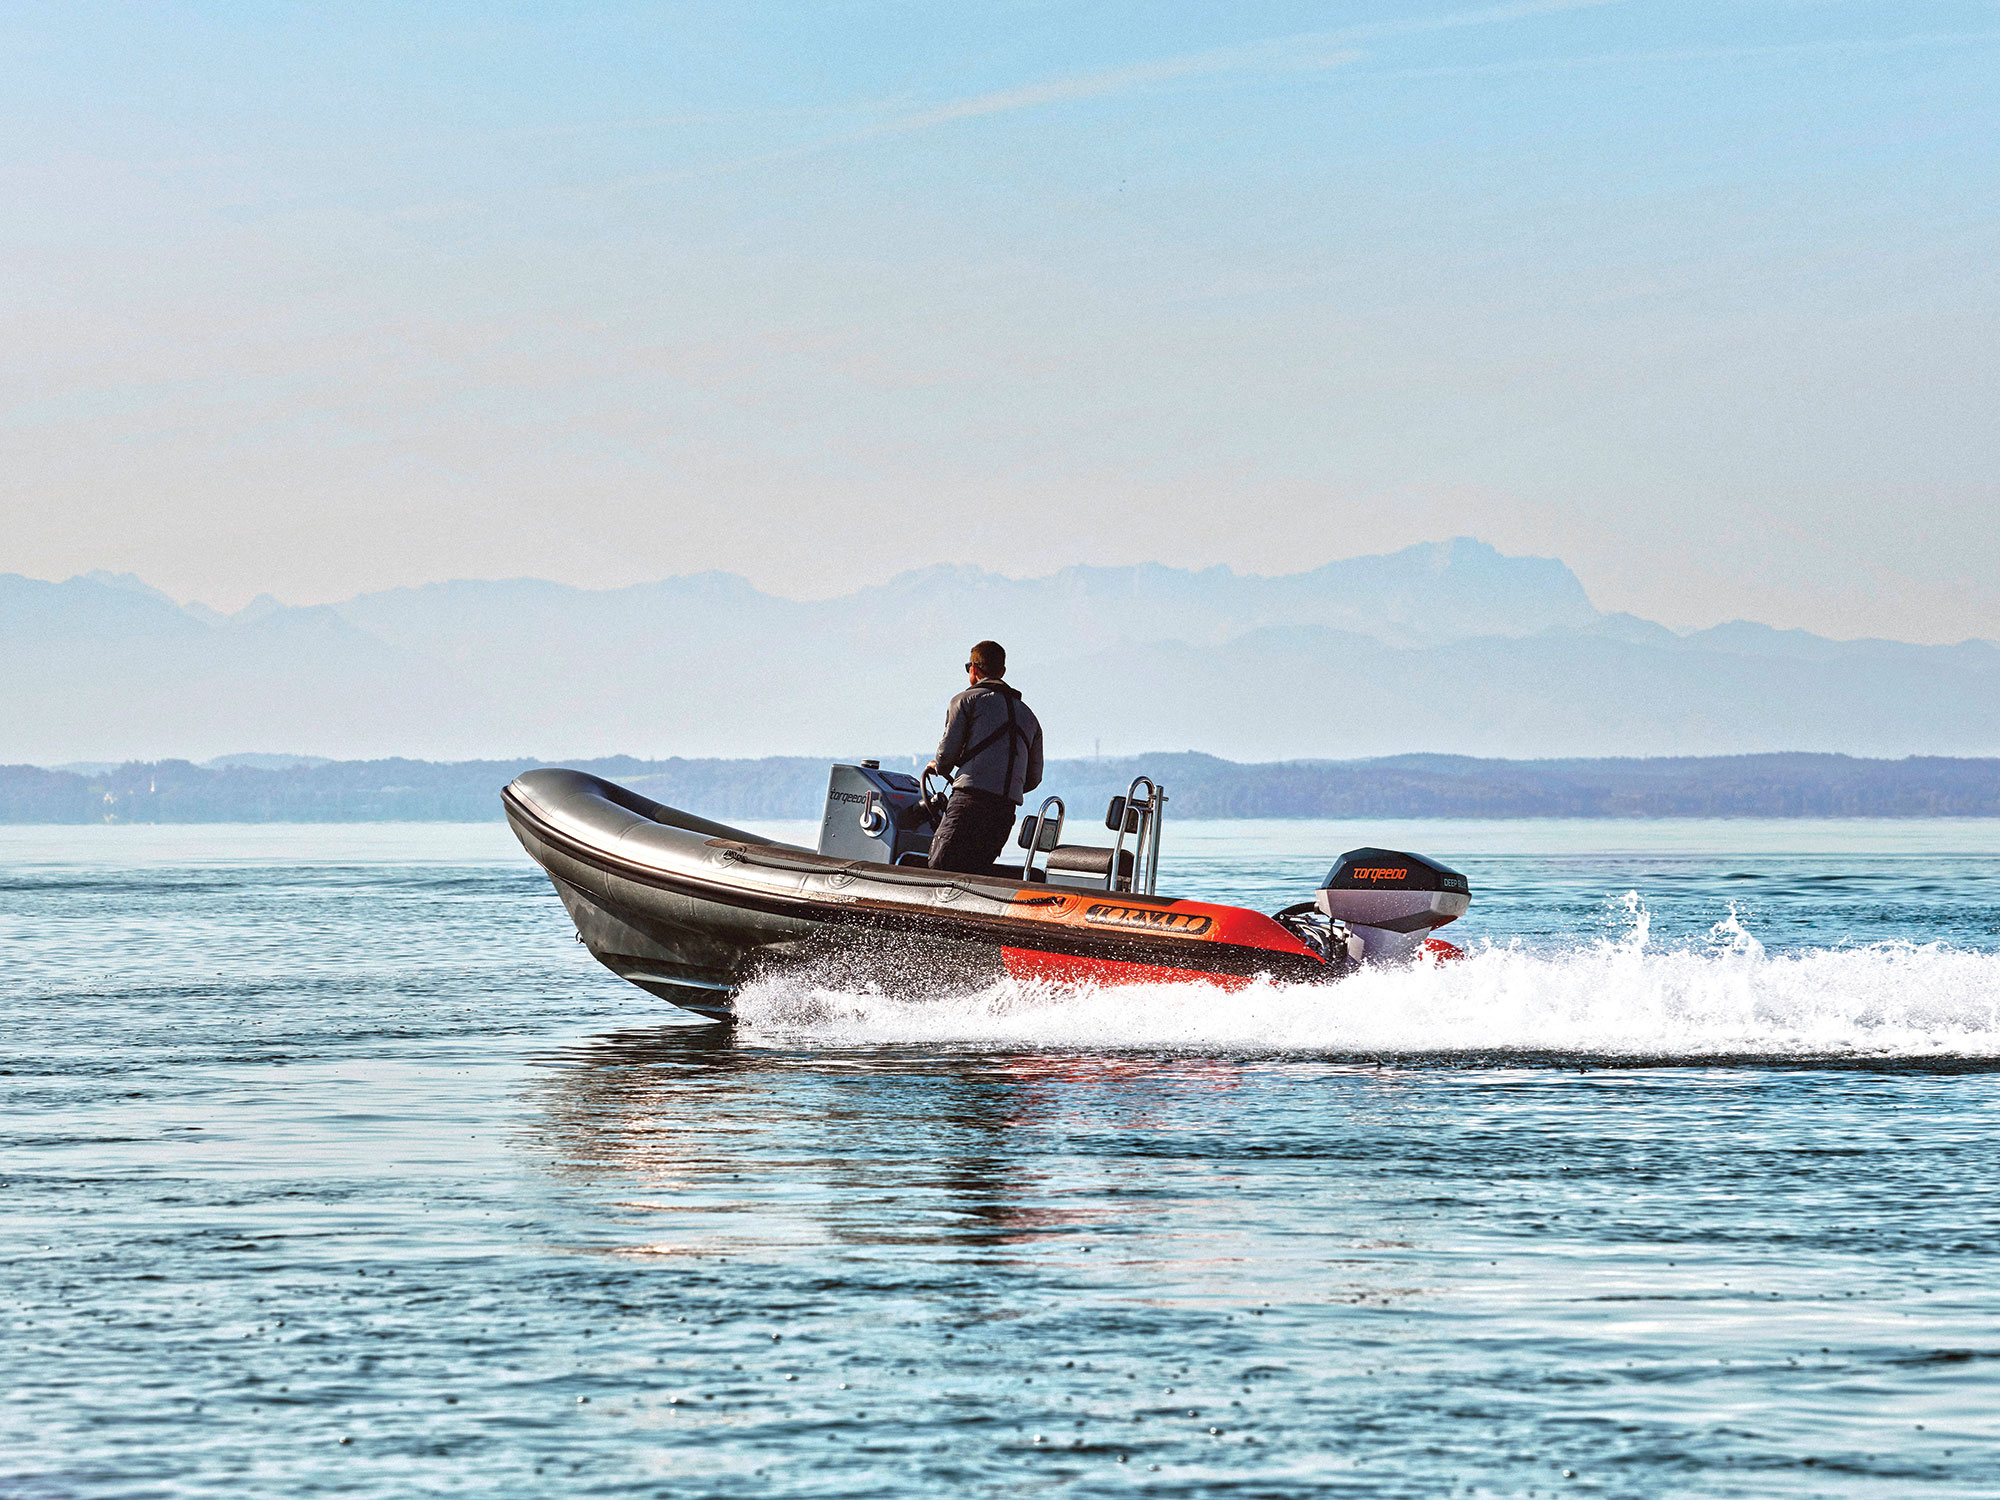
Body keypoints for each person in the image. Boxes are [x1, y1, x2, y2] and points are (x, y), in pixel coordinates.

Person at [924, 640, 1044, 874]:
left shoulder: (965, 701)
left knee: (940, 866)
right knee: (976, 873)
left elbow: (946, 756)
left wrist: (938, 767)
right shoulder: (1030, 717)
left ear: (973, 670)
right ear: (1002, 672)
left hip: (969, 803)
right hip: (1004, 811)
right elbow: (1033, 779)